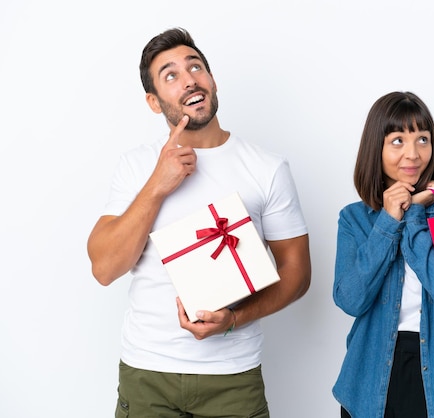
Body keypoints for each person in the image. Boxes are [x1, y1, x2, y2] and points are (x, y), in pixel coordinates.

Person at [87, 27, 311, 417]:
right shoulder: (137, 165)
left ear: (212, 80)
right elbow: (105, 268)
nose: (189, 78)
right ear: (154, 102)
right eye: (170, 74)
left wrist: (235, 319)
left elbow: (297, 272)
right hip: (148, 373)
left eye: (196, 67)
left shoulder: (266, 168)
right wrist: (158, 184)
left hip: (233, 377)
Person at [332, 91, 434, 417]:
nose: (412, 154)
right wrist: (388, 220)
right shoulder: (353, 218)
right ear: (376, 148)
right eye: (397, 140)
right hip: (371, 377)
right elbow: (349, 299)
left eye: (422, 139)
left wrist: (413, 214)